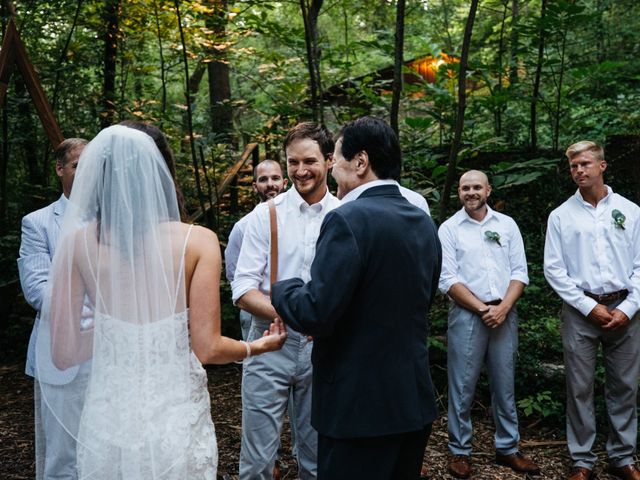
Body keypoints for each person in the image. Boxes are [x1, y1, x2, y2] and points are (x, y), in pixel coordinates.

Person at [36, 125, 286, 479]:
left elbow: (62, 353)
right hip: (175, 415)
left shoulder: (77, 245)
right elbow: (208, 348)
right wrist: (256, 347)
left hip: (109, 418)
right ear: (162, 172)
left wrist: (116, 333)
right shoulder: (198, 242)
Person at [271, 116, 441, 480]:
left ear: (361, 162)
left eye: (335, 158)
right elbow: (422, 299)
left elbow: (316, 311)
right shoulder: (422, 221)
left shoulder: (348, 219)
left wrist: (283, 288)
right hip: (411, 402)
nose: (332, 170)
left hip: (357, 407)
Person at [232, 122, 339, 479]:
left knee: (317, 455)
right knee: (257, 460)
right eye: (293, 162)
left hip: (323, 348)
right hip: (267, 341)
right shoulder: (265, 215)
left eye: (309, 161)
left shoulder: (344, 214)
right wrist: (291, 315)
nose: (300, 170)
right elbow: (243, 288)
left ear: (329, 161)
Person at [544, 141, 640, 480]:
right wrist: (588, 306)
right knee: (579, 386)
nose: (579, 171)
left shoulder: (631, 211)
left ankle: (622, 456)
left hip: (626, 310)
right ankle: (582, 460)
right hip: (580, 310)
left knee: (625, 386)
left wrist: (628, 307)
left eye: (585, 164)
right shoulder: (560, 216)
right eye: (573, 166)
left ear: (602, 166)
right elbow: (553, 269)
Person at [438, 170, 539, 479]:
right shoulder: (449, 228)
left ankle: (508, 448)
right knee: (462, 385)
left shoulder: (506, 226)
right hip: (468, 314)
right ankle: (460, 451)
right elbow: (447, 278)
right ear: (459, 192)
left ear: (488, 190)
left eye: (477, 187)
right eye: (466, 188)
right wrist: (483, 308)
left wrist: (504, 307)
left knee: (504, 383)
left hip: (505, 313)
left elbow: (520, 272)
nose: (471, 192)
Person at [18, 138, 87, 480]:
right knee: (64, 454)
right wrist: (91, 310)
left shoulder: (117, 220)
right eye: (77, 165)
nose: (86, 171)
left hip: (111, 354)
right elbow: (37, 290)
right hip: (60, 352)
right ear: (60, 170)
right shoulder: (38, 222)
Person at [225, 159, 288, 339]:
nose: (270, 184)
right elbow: (234, 274)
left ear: (285, 182)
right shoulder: (241, 227)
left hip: (291, 307)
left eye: (275, 178)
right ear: (254, 186)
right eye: (263, 179)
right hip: (254, 312)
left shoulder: (295, 221)